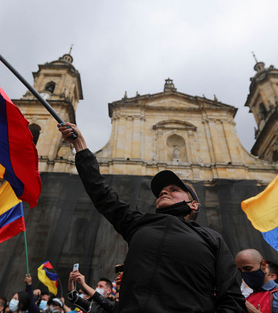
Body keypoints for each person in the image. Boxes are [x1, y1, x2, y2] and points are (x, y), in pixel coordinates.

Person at [59, 123, 247, 312]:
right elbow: (101, 193)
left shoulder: (212, 238)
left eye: (174, 190)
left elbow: (230, 296)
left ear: (194, 205)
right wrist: (80, 147)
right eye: (162, 191)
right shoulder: (138, 224)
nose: (164, 192)